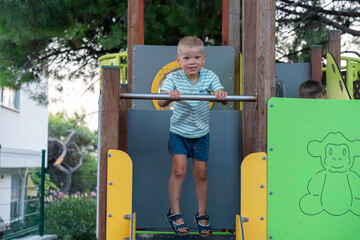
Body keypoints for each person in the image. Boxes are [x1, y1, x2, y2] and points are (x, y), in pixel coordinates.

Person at [157, 36, 227, 237]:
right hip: (179, 132)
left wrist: (221, 93)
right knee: (179, 171)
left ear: (203, 59)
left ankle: (202, 214)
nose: (192, 62)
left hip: (201, 134)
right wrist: (169, 95)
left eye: (196, 57)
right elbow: (161, 102)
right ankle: (175, 213)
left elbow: (220, 92)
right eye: (187, 58)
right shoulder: (174, 79)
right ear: (178, 60)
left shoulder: (209, 77)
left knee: (201, 174)